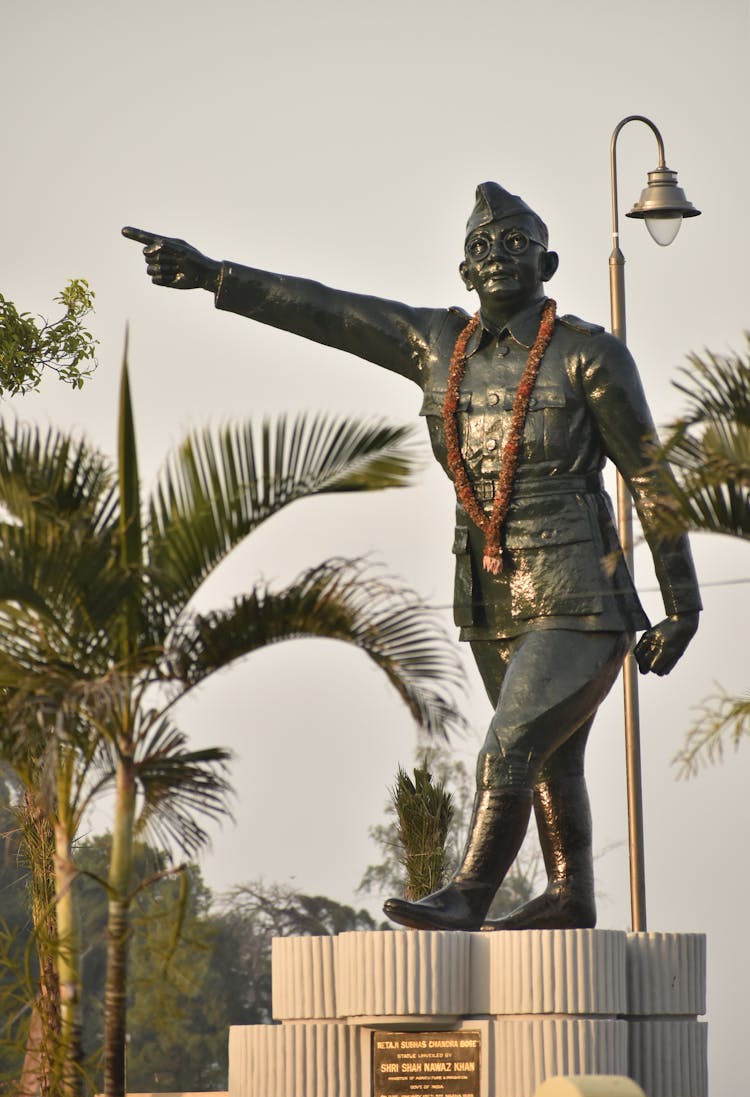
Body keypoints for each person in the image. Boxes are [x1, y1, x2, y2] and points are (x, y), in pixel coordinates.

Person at [122, 182, 701, 932]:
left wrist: (682, 604)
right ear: (464, 272)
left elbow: (650, 476)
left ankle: (468, 893)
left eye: (517, 244)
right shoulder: (437, 343)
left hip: (581, 591)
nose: (499, 256)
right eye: (482, 248)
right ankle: (569, 896)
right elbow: (328, 310)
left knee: (510, 745)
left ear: (548, 262)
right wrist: (216, 277)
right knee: (552, 759)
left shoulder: (590, 355)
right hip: (490, 594)